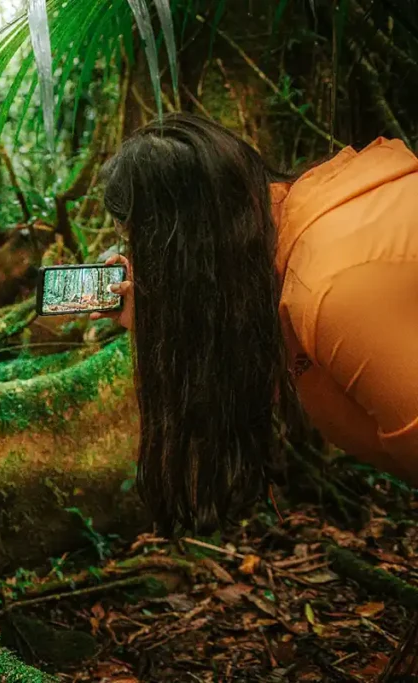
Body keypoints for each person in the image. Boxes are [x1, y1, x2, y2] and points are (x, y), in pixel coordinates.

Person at [89, 113, 418, 533]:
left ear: (190, 247)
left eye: (150, 251)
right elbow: (271, 355)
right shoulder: (299, 228)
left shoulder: (334, 290)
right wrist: (164, 324)